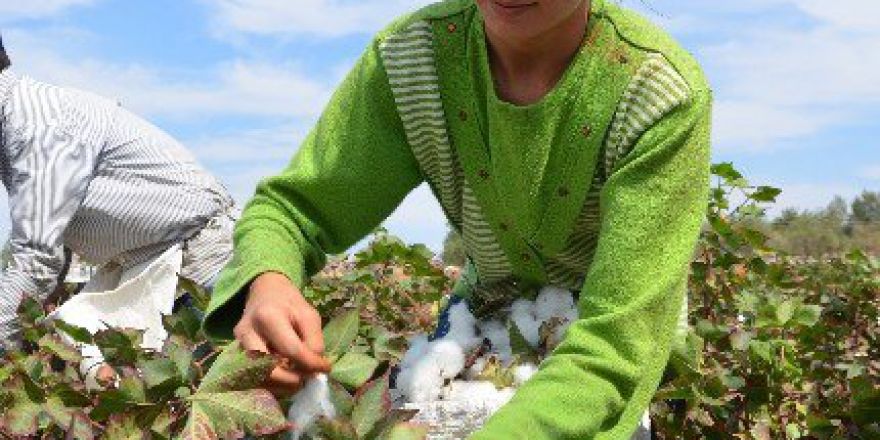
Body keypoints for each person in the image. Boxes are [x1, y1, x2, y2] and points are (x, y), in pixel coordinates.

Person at [202, 0, 711, 437]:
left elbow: (614, 349)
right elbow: (293, 212)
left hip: (603, 351)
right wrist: (270, 281)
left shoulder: (658, 96)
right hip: (482, 316)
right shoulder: (413, 65)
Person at [0, 36, 237, 344]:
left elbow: (37, 255)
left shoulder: (37, 126)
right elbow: (50, 251)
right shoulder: (20, 123)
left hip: (201, 266)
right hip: (159, 271)